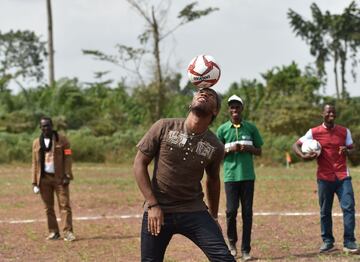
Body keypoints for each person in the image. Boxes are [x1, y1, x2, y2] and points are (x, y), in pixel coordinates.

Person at [133, 88, 235, 262]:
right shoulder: (164, 126)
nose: (203, 95)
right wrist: (152, 205)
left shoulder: (215, 146)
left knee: (224, 258)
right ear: (191, 102)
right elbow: (139, 164)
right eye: (200, 93)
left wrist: (214, 216)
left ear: (215, 110)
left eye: (210, 95)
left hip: (193, 209)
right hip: (159, 209)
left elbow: (213, 180)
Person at [292, 104, 358, 253]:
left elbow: (353, 150)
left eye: (333, 112)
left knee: (348, 207)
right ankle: (328, 242)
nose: (331, 114)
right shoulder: (314, 132)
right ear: (322, 114)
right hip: (324, 177)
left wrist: (347, 150)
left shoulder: (344, 131)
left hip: (342, 176)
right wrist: (303, 156)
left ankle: (349, 242)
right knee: (325, 211)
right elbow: (295, 145)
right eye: (328, 112)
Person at [216, 94, 263, 260]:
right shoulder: (222, 130)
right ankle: (232, 244)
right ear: (229, 110)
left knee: (247, 213)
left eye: (237, 107)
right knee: (230, 211)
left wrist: (247, 148)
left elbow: (259, 150)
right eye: (232, 107)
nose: (234, 110)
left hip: (247, 176)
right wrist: (230, 150)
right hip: (230, 176)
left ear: (242, 109)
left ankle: (246, 249)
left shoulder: (250, 128)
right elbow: (216, 154)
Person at [31, 116, 76, 241]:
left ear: (52, 126)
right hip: (44, 179)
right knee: (48, 207)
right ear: (40, 128)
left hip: (60, 178)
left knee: (65, 205)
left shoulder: (62, 140)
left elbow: (68, 157)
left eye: (48, 125)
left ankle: (68, 232)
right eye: (44, 126)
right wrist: (34, 182)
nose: (46, 128)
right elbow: (34, 163)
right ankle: (53, 232)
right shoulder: (36, 143)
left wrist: (67, 174)